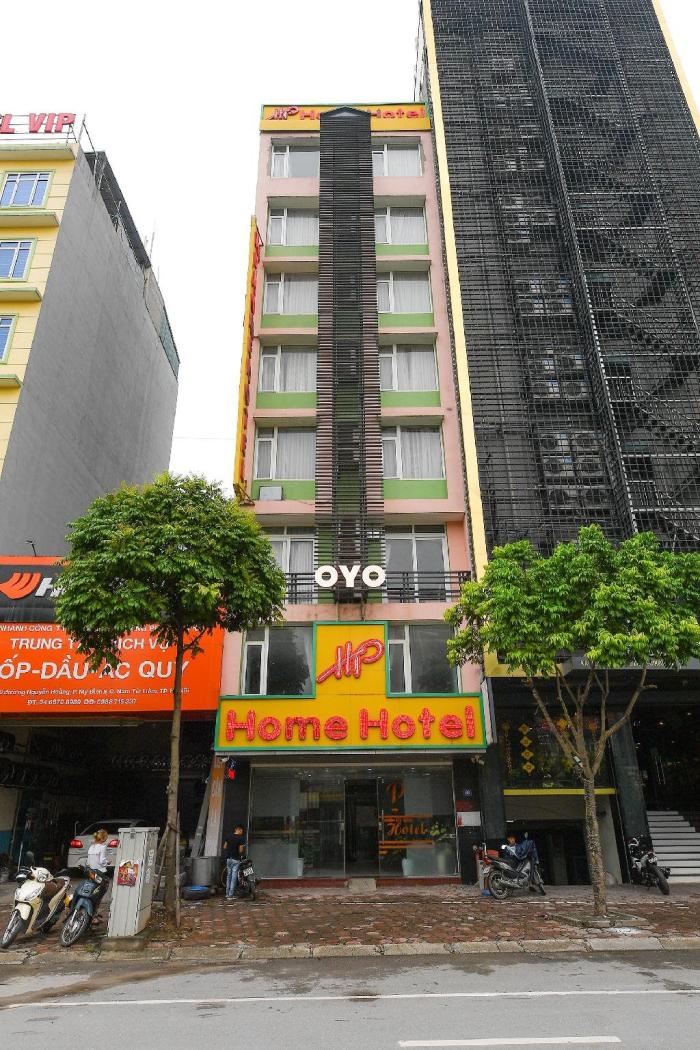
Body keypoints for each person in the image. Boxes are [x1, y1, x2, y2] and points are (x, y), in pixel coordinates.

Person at [223, 824, 246, 901]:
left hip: (228, 859)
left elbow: (224, 847)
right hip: (236, 859)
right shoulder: (241, 838)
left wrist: (230, 850)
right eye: (241, 830)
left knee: (228, 876)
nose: (242, 832)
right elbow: (240, 851)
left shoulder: (228, 836)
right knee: (234, 877)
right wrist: (242, 849)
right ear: (239, 829)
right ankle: (231, 895)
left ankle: (227, 894)